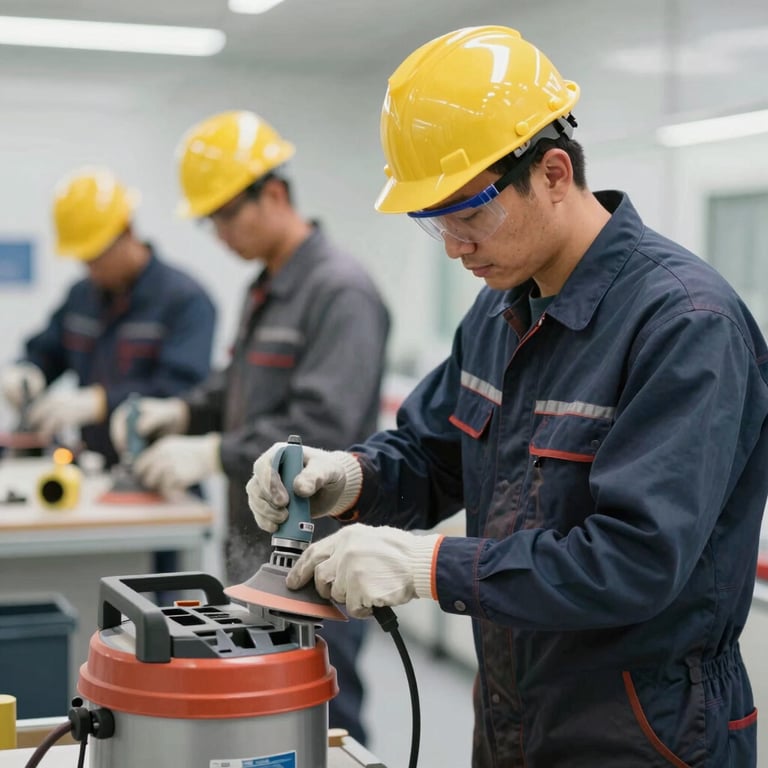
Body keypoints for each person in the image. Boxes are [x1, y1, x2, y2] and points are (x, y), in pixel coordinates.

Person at [245, 25, 768, 768]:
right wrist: (351, 477)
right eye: (436, 223)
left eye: (471, 212)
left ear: (553, 173)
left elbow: (635, 560)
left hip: (644, 733)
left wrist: (430, 567)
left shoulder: (684, 323)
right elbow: (434, 453)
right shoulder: (499, 309)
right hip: (512, 715)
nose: (456, 245)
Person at [110, 110, 390, 746]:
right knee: (262, 724)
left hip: (316, 559)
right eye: (210, 220)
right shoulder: (264, 287)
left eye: (227, 215)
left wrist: (212, 450)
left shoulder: (339, 292)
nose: (219, 234)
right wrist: (186, 409)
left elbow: (323, 425)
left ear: (275, 194)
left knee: (321, 715)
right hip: (255, 552)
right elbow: (237, 385)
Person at [0, 166, 216, 469]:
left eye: (97, 256)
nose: (91, 269)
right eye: (84, 259)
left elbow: (183, 391)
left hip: (163, 472)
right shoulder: (82, 296)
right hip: (93, 466)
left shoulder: (184, 300)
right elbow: (49, 351)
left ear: (127, 231)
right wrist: (28, 371)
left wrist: (101, 402)